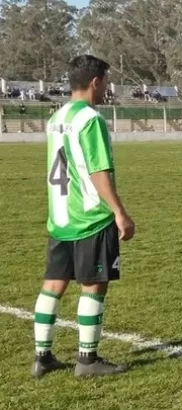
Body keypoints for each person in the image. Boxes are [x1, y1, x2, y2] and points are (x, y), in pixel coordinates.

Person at [32, 55, 135, 378]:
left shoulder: (57, 117)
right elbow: (98, 170)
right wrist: (119, 212)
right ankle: (87, 360)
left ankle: (42, 356)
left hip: (60, 216)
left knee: (53, 285)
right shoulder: (91, 119)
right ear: (95, 82)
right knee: (93, 285)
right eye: (105, 82)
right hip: (90, 216)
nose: (105, 89)